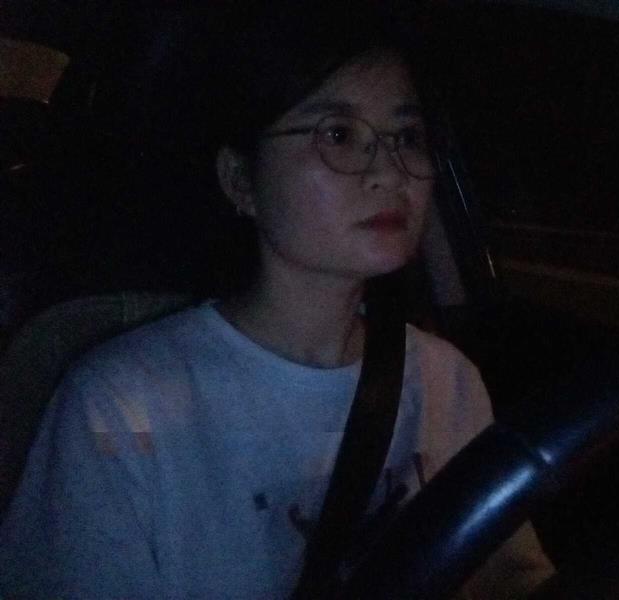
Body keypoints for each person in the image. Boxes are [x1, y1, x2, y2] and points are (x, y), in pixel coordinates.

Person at [0, 3, 553, 597]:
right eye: (338, 135)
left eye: (407, 138)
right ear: (241, 180)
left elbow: (512, 575)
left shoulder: (446, 380)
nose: (390, 172)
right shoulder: (118, 407)